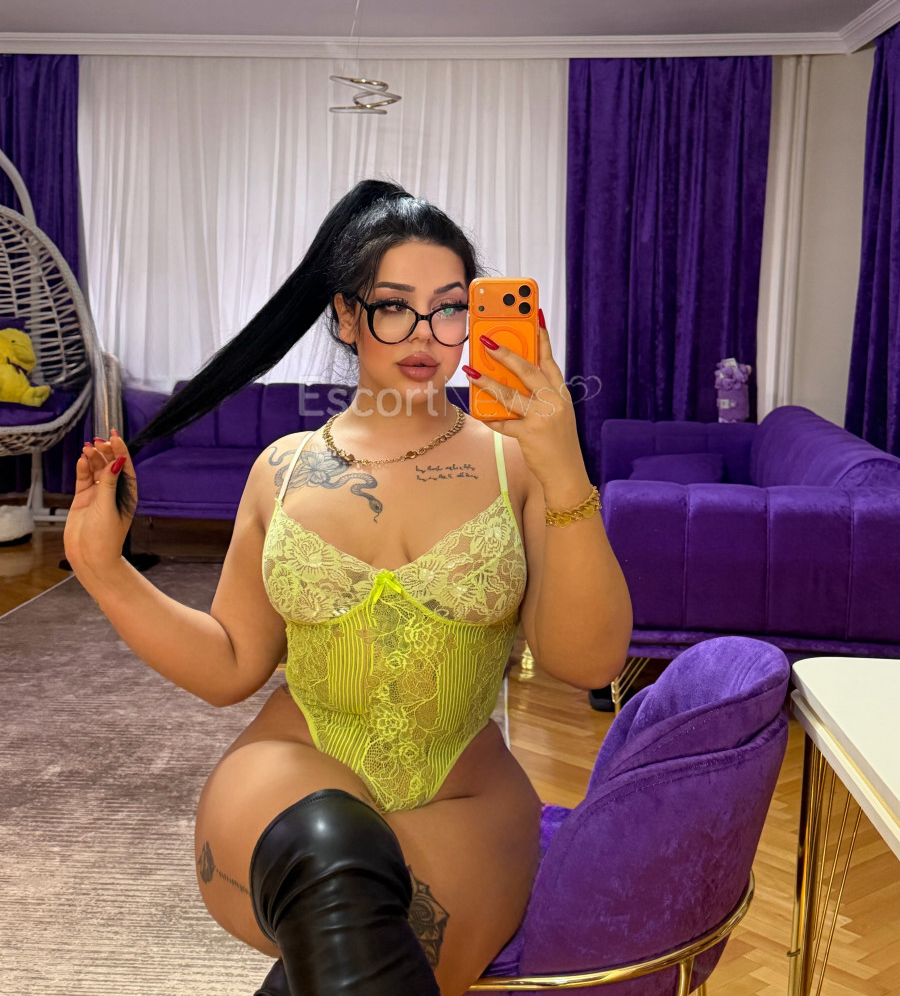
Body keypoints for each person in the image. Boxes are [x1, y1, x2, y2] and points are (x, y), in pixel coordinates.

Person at [63, 180, 632, 996]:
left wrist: (566, 465)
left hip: (466, 801)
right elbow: (230, 665)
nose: (425, 334)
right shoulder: (282, 470)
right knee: (333, 855)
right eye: (395, 306)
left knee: (354, 961)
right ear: (345, 315)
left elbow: (589, 661)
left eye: (449, 308)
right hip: (293, 775)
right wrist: (104, 570)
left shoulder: (520, 464)